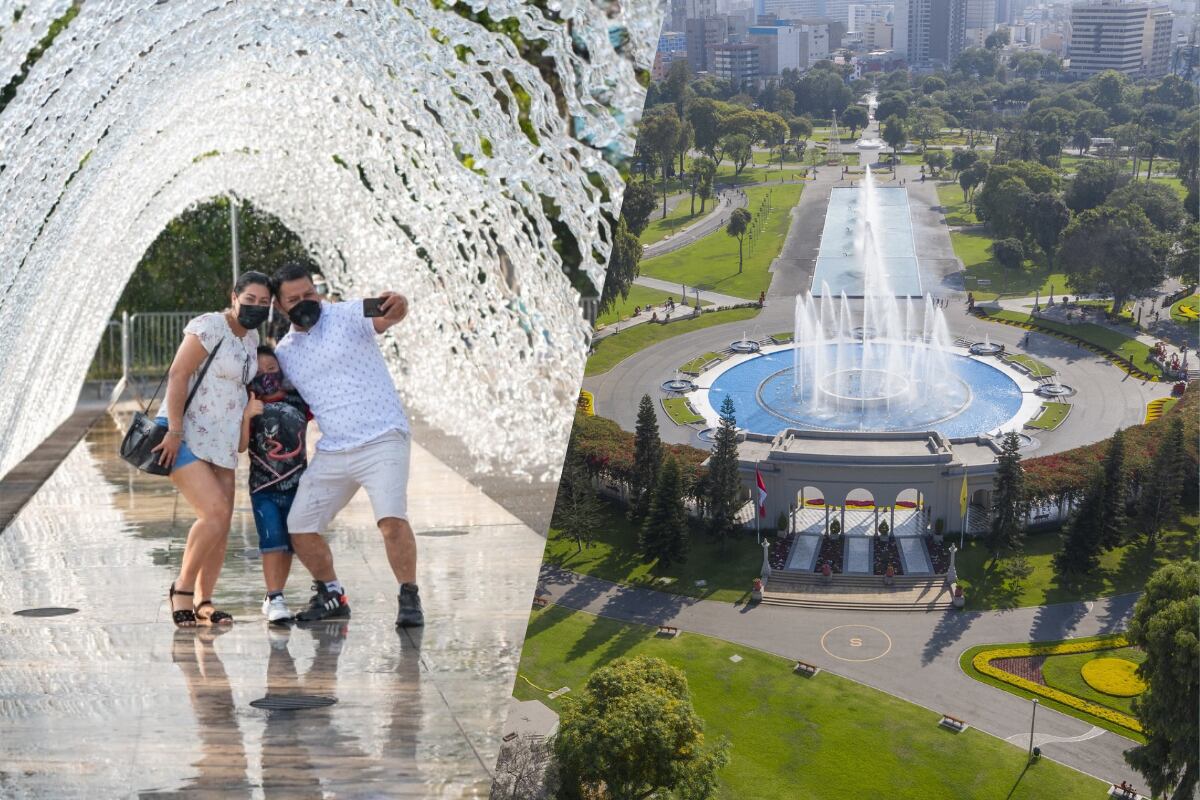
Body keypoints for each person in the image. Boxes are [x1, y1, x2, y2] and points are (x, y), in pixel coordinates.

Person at [269, 262, 423, 627]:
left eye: (310, 293)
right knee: (301, 526)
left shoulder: (348, 313)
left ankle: (409, 595)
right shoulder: (286, 352)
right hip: (335, 449)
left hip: (383, 437)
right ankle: (332, 594)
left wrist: (397, 303)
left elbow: (390, 311)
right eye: (295, 299)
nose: (306, 301)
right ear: (279, 305)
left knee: (391, 520)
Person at [154, 271, 271, 627]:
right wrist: (174, 430)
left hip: (221, 443)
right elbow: (178, 374)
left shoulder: (251, 339)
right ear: (233, 296)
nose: (255, 307)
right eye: (249, 300)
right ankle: (182, 590)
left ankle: (205, 601)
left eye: (264, 303)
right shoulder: (209, 325)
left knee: (220, 524)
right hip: (185, 435)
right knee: (215, 511)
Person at [239, 346, 312, 623]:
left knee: (291, 542)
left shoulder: (299, 399)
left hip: (297, 485)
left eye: (271, 370)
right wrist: (247, 415)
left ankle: (274, 596)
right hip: (263, 489)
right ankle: (276, 595)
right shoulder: (249, 402)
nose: (266, 376)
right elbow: (241, 446)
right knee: (272, 541)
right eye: (258, 372)